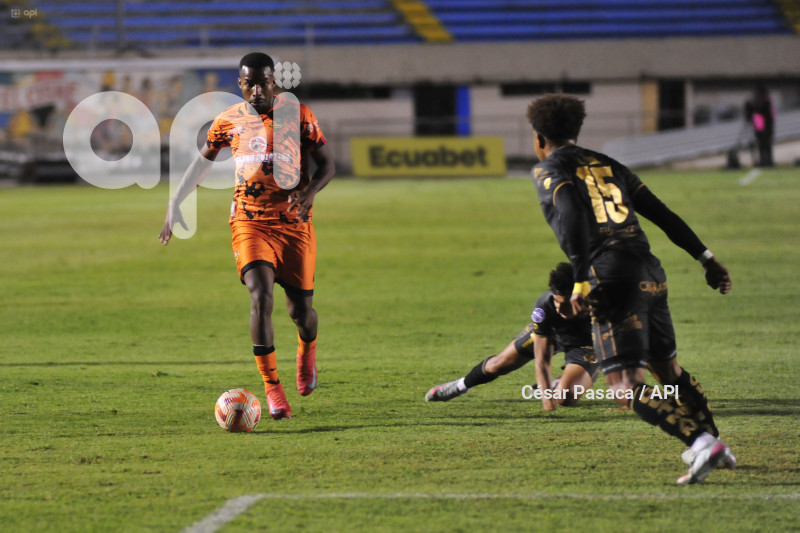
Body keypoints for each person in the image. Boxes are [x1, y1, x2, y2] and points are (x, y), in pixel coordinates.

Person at [526, 94, 735, 485]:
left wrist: (582, 276)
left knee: (625, 386)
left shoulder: (548, 169)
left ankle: (703, 442)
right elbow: (661, 212)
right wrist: (705, 258)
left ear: (539, 138)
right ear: (576, 131)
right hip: (648, 268)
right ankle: (714, 442)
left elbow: (570, 212)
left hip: (610, 277)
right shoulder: (610, 165)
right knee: (668, 370)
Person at [159, 52, 335, 420]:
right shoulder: (227, 121)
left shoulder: (298, 117)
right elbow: (203, 160)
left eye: (263, 82)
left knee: (302, 313)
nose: (256, 90)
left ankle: (307, 352)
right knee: (260, 296)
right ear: (239, 84)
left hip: (294, 224)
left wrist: (310, 192)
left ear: (275, 82)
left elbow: (328, 164)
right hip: (249, 221)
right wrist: (176, 200)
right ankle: (273, 388)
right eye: (248, 83)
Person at [425, 263, 645, 411]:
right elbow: (542, 360)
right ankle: (460, 385)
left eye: (567, 304)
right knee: (497, 365)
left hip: (588, 344)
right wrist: (546, 401)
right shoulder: (545, 307)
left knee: (567, 398)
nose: (561, 309)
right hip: (553, 335)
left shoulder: (604, 305)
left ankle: (557, 383)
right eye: (558, 302)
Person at [744, 83, 775, 167]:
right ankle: (763, 160)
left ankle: (768, 161)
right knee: (761, 144)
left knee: (766, 144)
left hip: (766, 125)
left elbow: (761, 112)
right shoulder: (759, 101)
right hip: (760, 124)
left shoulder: (765, 101)